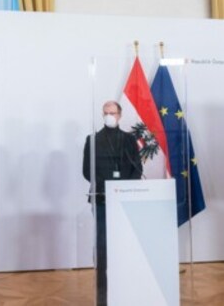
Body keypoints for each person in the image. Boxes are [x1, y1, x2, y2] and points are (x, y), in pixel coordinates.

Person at [82, 100, 143, 306]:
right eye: (106, 112)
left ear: (120, 115)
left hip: (124, 201)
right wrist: (106, 186)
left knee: (124, 247)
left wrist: (124, 189)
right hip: (101, 201)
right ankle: (102, 296)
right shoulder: (92, 140)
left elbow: (137, 169)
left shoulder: (129, 140)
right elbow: (86, 171)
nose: (109, 116)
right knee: (103, 248)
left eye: (113, 112)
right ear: (102, 114)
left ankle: (125, 291)